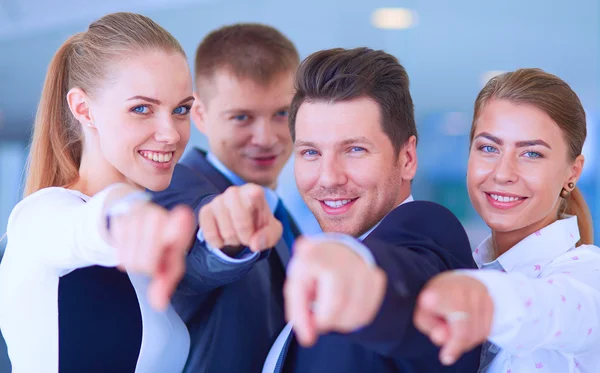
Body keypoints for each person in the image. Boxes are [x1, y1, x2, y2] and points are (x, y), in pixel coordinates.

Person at [198, 47, 482, 373]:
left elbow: (409, 280)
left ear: (407, 158)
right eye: (310, 153)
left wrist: (360, 268)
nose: (329, 177)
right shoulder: (303, 257)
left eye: (355, 149)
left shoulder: (430, 230)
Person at [0, 12, 200, 373]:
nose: (171, 133)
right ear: (83, 108)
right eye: (142, 109)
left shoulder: (147, 249)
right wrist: (125, 208)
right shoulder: (42, 215)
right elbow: (84, 226)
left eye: (181, 109)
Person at [413, 68, 599, 373]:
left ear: (573, 173)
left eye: (532, 154)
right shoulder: (461, 264)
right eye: (489, 148)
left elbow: (558, 309)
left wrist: (480, 297)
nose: (502, 173)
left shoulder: (589, 274)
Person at [151, 23, 304, 373]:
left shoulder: (280, 211)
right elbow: (198, 252)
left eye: (282, 113)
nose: (265, 138)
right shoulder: (177, 189)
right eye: (242, 117)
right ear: (200, 115)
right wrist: (225, 240)